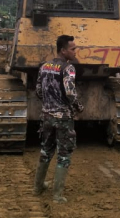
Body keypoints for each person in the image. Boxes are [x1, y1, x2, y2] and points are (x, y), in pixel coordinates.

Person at [33, 35, 84, 203]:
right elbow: (70, 92)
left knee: (45, 151)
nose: (75, 51)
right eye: (72, 49)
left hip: (46, 115)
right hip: (63, 117)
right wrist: (78, 106)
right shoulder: (68, 68)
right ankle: (57, 195)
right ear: (63, 51)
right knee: (63, 155)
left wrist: (49, 103)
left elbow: (39, 90)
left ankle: (37, 187)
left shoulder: (44, 67)